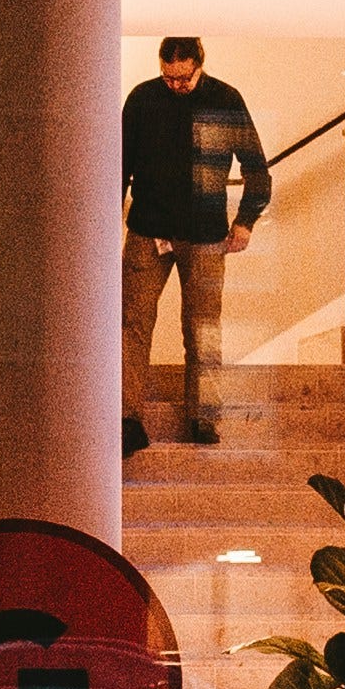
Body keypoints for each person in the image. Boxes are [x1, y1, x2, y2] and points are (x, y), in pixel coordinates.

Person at [120, 34, 267, 450]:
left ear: (199, 66)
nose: (176, 86)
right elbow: (119, 164)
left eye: (184, 79)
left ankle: (203, 419)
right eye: (168, 78)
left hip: (205, 236)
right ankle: (127, 419)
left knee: (203, 329)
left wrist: (246, 221)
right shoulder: (142, 99)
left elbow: (257, 168)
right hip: (148, 231)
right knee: (132, 324)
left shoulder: (226, 99)